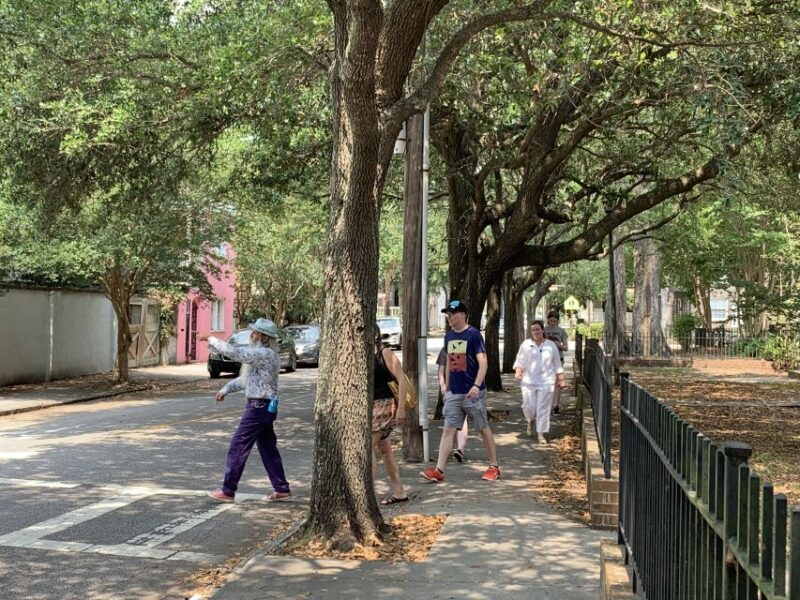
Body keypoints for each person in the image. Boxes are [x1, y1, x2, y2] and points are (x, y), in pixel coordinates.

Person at [199, 318, 292, 503]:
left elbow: (234, 352)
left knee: (238, 446)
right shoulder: (264, 355)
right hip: (264, 407)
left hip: (259, 407)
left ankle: (228, 490)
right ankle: (281, 488)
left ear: (265, 338)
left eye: (256, 333)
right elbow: (247, 380)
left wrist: (210, 338)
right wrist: (226, 389)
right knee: (267, 448)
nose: (252, 335)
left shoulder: (265, 354)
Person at [421, 300, 500, 482]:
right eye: (448, 314)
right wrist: (447, 389)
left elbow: (483, 363)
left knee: (482, 428)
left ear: (463, 315)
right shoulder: (448, 336)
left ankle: (494, 466)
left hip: (473, 393)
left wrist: (476, 385)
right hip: (454, 393)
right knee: (448, 429)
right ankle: (439, 470)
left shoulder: (473, 335)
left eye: (453, 313)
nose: (449, 317)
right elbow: (449, 361)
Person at [513, 320, 567, 444]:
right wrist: (518, 371)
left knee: (543, 408)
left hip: (546, 382)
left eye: (538, 329)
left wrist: (561, 379)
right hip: (528, 382)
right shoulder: (526, 345)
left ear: (543, 330)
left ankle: (541, 434)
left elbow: (557, 363)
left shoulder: (550, 345)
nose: (536, 332)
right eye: (533, 330)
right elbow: (520, 360)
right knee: (529, 407)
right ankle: (530, 420)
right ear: (531, 332)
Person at [372, 326, 408, 505]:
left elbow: (402, 379)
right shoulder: (359, 354)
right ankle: (399, 490)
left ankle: (366, 494)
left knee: (365, 447)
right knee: (384, 449)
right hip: (370, 407)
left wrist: (401, 408)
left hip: (385, 405)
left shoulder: (384, 352)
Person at [436, 347, 468, 463]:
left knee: (457, 421)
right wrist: (443, 385)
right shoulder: (445, 350)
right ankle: (459, 449)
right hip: (453, 390)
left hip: (460, 390)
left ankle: (459, 449)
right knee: (458, 421)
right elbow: (441, 371)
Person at [544, 310, 568, 413]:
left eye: (555, 321)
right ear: (548, 320)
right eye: (551, 321)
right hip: (545, 360)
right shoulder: (544, 330)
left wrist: (559, 345)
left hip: (559, 359)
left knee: (557, 382)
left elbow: (566, 347)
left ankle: (556, 405)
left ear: (557, 321)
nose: (552, 323)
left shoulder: (562, 331)